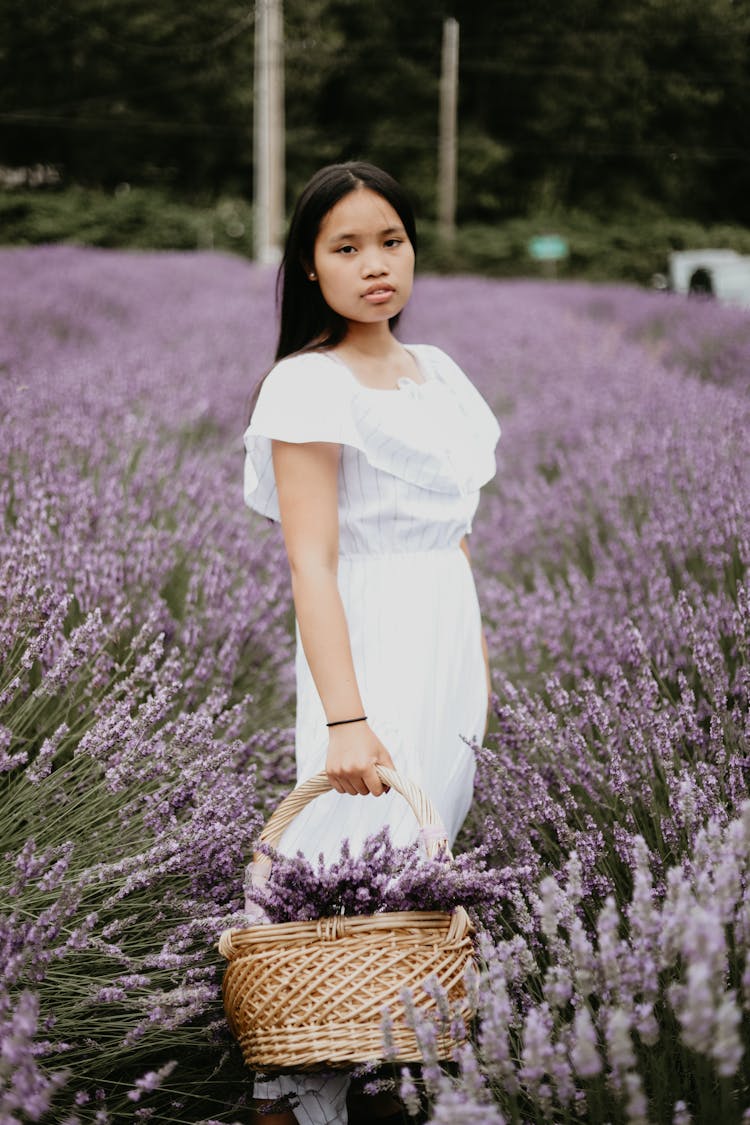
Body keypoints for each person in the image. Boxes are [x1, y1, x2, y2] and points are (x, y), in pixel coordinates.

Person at [242, 161, 500, 1125]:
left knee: (414, 863)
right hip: (368, 636)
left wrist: (477, 662)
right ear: (311, 267)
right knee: (341, 851)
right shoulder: (308, 383)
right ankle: (293, 1089)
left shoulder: (439, 372)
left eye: (389, 239)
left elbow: (455, 532)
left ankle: (369, 1075)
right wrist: (347, 718)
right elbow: (311, 563)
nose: (374, 263)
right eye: (345, 247)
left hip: (443, 630)